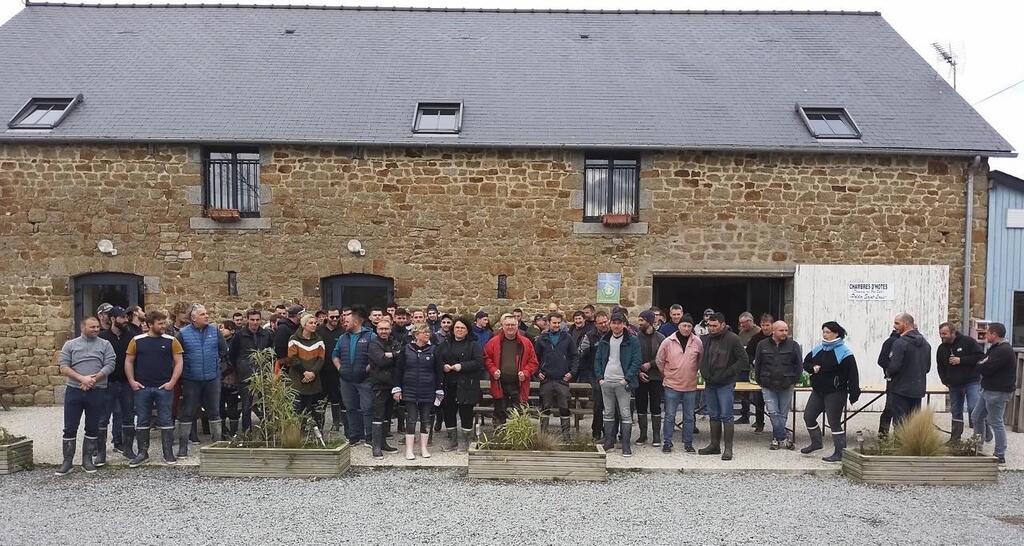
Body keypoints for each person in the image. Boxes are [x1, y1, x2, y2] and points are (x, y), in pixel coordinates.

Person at [55, 316, 116, 476]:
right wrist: (82, 379)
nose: (96, 329)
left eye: (97, 327)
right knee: (69, 427)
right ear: (83, 328)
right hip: (74, 390)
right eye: (92, 327)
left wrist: (93, 380)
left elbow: (110, 364)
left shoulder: (105, 344)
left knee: (92, 426)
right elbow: (63, 367)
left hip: (97, 390)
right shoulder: (70, 345)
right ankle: (67, 462)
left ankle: (87, 459)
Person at [125, 310, 183, 467]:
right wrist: (131, 381)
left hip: (164, 387)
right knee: (143, 420)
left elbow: (179, 362)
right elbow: (129, 361)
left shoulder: (172, 341)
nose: (163, 326)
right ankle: (142, 452)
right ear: (150, 324)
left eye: (164, 323)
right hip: (142, 387)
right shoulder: (137, 340)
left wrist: (172, 382)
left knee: (166, 419)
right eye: (160, 323)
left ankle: (168, 452)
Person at [801, 321, 860, 462]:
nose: (825, 334)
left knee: (834, 422)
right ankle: (816, 443)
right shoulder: (818, 349)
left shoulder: (845, 352)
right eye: (824, 332)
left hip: (836, 392)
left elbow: (853, 374)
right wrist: (812, 367)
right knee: (808, 416)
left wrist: (854, 393)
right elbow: (806, 363)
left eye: (828, 332)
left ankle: (840, 452)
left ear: (836, 333)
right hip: (818, 391)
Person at [175, 304, 227, 458]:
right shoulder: (183, 334)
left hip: (212, 379)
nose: (207, 316)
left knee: (214, 411)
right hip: (191, 380)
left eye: (207, 313)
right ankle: (183, 446)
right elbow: (176, 356)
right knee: (188, 412)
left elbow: (224, 351)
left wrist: (218, 369)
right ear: (193, 318)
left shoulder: (215, 331)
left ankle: (217, 445)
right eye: (203, 314)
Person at [697, 312, 748, 461]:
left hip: (725, 383)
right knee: (713, 415)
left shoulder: (733, 339)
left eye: (714, 326)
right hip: (710, 382)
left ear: (723, 325)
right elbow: (702, 358)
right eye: (709, 326)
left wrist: (728, 373)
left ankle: (728, 448)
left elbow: (743, 361)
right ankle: (714, 445)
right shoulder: (706, 339)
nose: (711, 328)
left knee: (726, 415)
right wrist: (704, 372)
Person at [594, 311, 641, 457]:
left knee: (625, 414)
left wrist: (626, 379)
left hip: (623, 383)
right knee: (608, 413)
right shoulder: (604, 340)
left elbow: (636, 361)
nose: (616, 325)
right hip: (607, 381)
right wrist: (600, 378)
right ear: (610, 324)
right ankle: (609, 441)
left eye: (619, 323)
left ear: (624, 324)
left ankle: (626, 444)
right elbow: (597, 360)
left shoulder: (632, 340)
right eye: (614, 323)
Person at [393, 324, 443, 460]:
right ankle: (409, 450)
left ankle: (424, 448)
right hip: (409, 389)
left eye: (429, 332)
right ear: (416, 335)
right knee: (411, 418)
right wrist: (397, 388)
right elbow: (398, 370)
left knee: (426, 419)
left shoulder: (434, 350)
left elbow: (439, 371)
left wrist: (439, 388)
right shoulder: (406, 349)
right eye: (424, 332)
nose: (427, 334)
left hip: (428, 389)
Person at [656, 314, 703, 453]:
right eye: (684, 325)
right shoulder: (668, 341)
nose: (686, 328)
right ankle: (667, 442)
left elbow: (700, 360)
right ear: (679, 326)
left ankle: (688, 443)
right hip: (672, 384)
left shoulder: (697, 342)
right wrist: (667, 374)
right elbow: (660, 360)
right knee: (670, 415)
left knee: (689, 416)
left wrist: (693, 371)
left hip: (690, 385)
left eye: (689, 326)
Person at [435, 316, 484, 451]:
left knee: (466, 413)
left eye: (462, 328)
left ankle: (465, 441)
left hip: (467, 385)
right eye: (457, 327)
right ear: (453, 329)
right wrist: (443, 365)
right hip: (448, 384)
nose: (459, 330)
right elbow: (437, 359)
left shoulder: (473, 345)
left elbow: (479, 363)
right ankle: (453, 441)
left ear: (467, 330)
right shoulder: (444, 344)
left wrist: (461, 366)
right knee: (449, 412)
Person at [971, 322, 1016, 464]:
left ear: (994, 334)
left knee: (995, 421)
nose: (985, 335)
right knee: (976, 416)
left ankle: (1000, 454)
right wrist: (981, 364)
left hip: (998, 391)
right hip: (987, 389)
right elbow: (982, 362)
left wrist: (981, 365)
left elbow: (987, 368)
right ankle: (977, 446)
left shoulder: (1004, 351)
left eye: (988, 333)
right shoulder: (995, 348)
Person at [753, 321, 802, 450]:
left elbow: (799, 365)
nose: (785, 333)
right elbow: (758, 364)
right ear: (773, 331)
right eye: (781, 330)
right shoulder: (762, 345)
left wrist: (794, 380)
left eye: (786, 330)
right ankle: (783, 437)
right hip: (768, 384)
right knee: (773, 412)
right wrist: (760, 380)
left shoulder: (793, 345)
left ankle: (776, 438)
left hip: (786, 384)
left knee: (783, 413)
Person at [483, 314, 539, 424]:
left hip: (519, 384)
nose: (510, 327)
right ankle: (499, 436)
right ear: (502, 326)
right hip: (499, 384)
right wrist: (493, 370)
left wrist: (526, 372)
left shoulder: (526, 343)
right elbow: (486, 358)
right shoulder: (494, 342)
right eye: (507, 324)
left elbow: (533, 362)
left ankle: (517, 439)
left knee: (519, 414)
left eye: (513, 325)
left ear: (517, 325)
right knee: (500, 413)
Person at [97, 306, 136, 463]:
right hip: (107, 383)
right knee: (103, 418)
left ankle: (127, 449)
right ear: (113, 319)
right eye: (122, 317)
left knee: (127, 417)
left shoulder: (131, 336)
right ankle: (100, 452)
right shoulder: (102, 337)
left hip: (126, 382)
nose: (126, 320)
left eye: (126, 317)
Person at [333, 305, 375, 446]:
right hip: (346, 380)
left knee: (367, 408)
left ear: (356, 322)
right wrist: (340, 369)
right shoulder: (342, 338)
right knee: (350, 408)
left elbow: (375, 357)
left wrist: (366, 370)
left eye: (347, 321)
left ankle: (369, 437)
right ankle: (354, 436)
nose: (344, 323)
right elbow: (335, 355)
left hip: (365, 380)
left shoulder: (370, 336)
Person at [534, 312, 579, 441]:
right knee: (545, 407)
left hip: (562, 379)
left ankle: (566, 435)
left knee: (564, 407)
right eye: (554, 323)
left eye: (559, 323)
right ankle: (543, 435)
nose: (556, 325)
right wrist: (537, 372)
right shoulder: (542, 339)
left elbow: (575, 356)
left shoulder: (567, 338)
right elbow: (535, 358)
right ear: (548, 323)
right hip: (546, 378)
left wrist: (572, 372)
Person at [937, 322, 984, 443]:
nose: (942, 336)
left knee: (974, 408)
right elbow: (940, 366)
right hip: (954, 384)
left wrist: (961, 360)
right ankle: (955, 438)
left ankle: (978, 438)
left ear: (953, 332)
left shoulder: (968, 341)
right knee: (956, 411)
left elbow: (980, 357)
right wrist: (945, 380)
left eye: (945, 333)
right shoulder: (942, 348)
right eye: (941, 334)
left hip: (971, 381)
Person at [228, 309, 274, 433]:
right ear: (247, 320)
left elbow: (270, 352)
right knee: (246, 406)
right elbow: (232, 354)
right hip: (245, 375)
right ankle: (247, 432)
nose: (255, 322)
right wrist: (240, 367)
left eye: (257, 320)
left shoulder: (266, 334)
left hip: (262, 374)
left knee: (265, 405)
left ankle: (267, 432)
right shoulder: (239, 335)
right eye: (252, 320)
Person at [882, 313, 931, 425]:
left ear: (906, 323)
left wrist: (888, 372)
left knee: (900, 424)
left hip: (900, 389)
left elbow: (894, 366)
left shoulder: (900, 343)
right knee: (913, 424)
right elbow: (927, 368)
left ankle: (900, 443)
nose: (894, 326)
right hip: (917, 390)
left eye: (897, 323)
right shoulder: (926, 344)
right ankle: (912, 443)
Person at [368, 318, 401, 458]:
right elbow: (380, 361)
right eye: (381, 329)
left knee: (387, 415)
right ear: (377, 329)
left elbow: (401, 356)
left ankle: (383, 443)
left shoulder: (393, 341)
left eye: (386, 329)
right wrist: (394, 355)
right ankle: (376, 447)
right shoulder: (373, 344)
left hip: (392, 384)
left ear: (390, 329)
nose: (384, 331)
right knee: (378, 415)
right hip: (379, 384)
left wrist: (391, 355)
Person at [288, 313, 326, 430]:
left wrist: (313, 373)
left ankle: (318, 433)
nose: (314, 325)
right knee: (298, 409)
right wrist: (305, 372)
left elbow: (321, 358)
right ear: (304, 325)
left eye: (315, 323)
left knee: (315, 409)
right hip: (298, 379)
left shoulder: (319, 340)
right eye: (311, 323)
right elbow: (292, 358)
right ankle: (299, 433)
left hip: (313, 379)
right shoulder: (294, 339)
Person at [577, 310, 611, 440]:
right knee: (599, 403)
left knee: (611, 405)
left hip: (611, 372)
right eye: (600, 323)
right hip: (594, 372)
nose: (603, 325)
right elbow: (580, 353)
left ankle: (610, 432)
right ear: (595, 324)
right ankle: (596, 431)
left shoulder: (614, 334)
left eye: (605, 322)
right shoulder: (589, 336)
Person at [635, 310, 666, 447]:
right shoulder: (635, 337)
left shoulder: (661, 338)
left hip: (656, 377)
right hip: (640, 377)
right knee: (640, 406)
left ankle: (656, 435)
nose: (639, 323)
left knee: (655, 405)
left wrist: (651, 364)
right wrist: (638, 372)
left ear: (649, 321)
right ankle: (643, 435)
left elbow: (664, 357)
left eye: (642, 320)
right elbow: (632, 357)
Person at [739, 313, 773, 432]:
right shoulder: (756, 338)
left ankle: (778, 427)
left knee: (774, 403)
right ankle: (759, 423)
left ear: (772, 325)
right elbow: (747, 354)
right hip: (759, 373)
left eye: (767, 325)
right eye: (763, 325)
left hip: (775, 374)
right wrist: (753, 360)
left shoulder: (777, 337)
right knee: (759, 400)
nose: (765, 327)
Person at [317, 307, 346, 433]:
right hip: (322, 371)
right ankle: (319, 425)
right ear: (326, 317)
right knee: (321, 399)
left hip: (338, 371)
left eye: (337, 316)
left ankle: (337, 423)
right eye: (332, 317)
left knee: (338, 398)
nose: (334, 319)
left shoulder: (343, 331)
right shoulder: (318, 331)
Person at [875, 328, 900, 437]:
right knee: (890, 407)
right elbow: (881, 360)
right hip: (893, 380)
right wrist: (890, 371)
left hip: (907, 381)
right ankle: (883, 435)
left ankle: (902, 436)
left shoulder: (911, 342)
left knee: (903, 410)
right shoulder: (891, 341)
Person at [218, 320, 239, 439]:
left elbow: (233, 359)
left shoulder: (235, 343)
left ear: (231, 330)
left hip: (232, 380)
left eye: (223, 328)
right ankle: (221, 432)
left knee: (232, 408)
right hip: (219, 381)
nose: (221, 330)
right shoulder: (218, 343)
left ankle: (234, 433)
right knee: (220, 408)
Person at [274, 304, 303, 373]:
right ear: (298, 315)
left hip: (299, 365)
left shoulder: (299, 327)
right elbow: (279, 350)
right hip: (288, 368)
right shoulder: (283, 328)